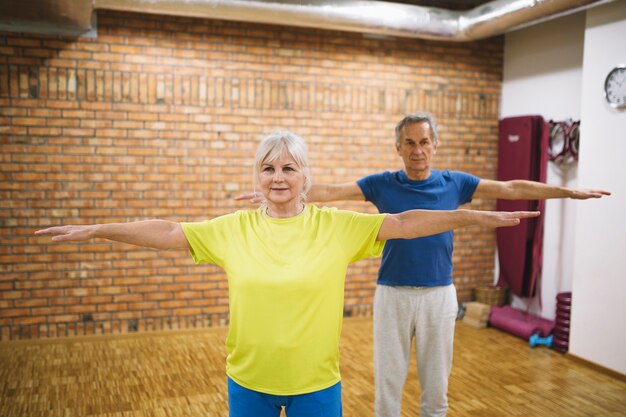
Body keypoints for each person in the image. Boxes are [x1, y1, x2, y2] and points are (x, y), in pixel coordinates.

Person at [36, 130, 539, 417]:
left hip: (317, 385)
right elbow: (168, 231)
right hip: (248, 382)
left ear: (306, 178)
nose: (278, 178)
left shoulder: (337, 226)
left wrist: (471, 216)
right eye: (269, 169)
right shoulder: (231, 229)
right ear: (258, 177)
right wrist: (99, 229)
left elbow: (406, 223)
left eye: (289, 169)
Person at [236, 115, 611, 417]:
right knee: (388, 383)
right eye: (410, 143)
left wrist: (567, 191)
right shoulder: (381, 183)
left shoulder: (456, 183)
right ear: (398, 147)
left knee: (436, 383)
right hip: (392, 293)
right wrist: (279, 188)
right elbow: (329, 191)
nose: (418, 150)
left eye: (425, 141)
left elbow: (510, 188)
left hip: (438, 295)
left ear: (435, 145)